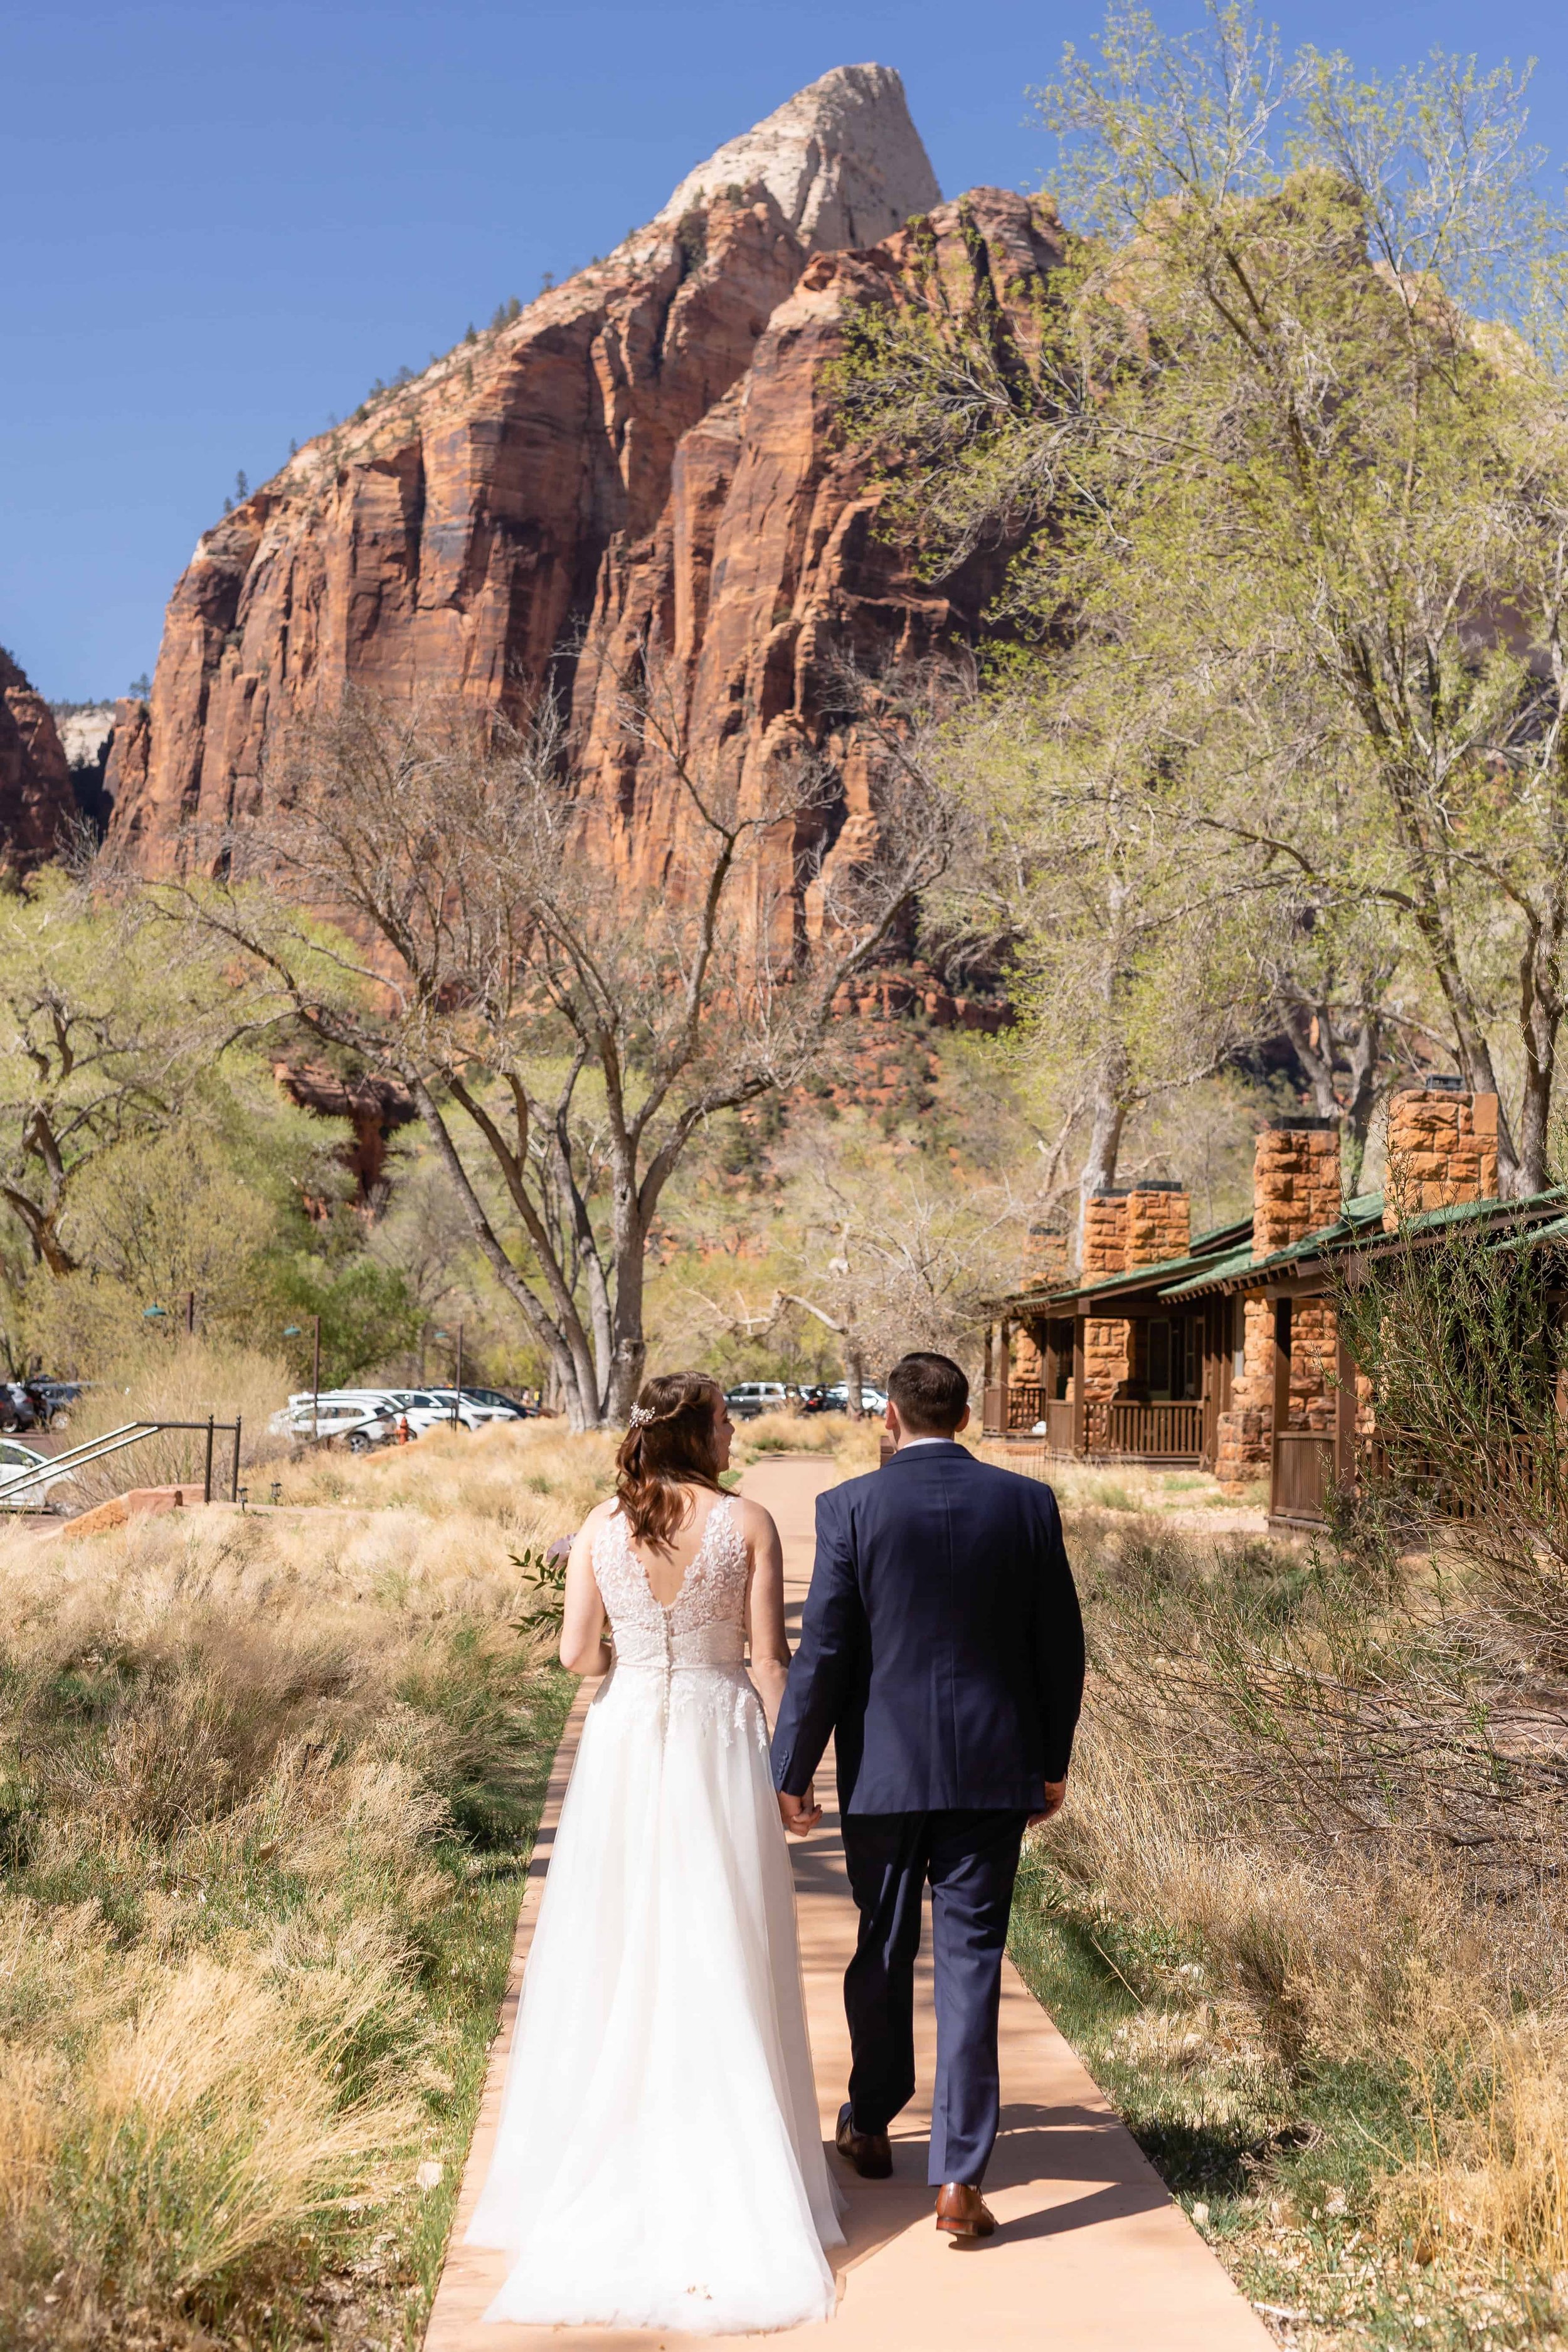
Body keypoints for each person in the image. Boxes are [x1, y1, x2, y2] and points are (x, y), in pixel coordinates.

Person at [464, 1371, 842, 2331]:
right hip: (718, 1734)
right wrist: (793, 1771)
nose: (733, 1430)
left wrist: (637, 1651)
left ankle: (609, 2140)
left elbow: (576, 1657)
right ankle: (732, 2155)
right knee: (721, 1932)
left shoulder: (600, 1524)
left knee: (619, 1933)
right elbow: (769, 1660)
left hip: (629, 1737)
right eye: (722, 1418)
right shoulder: (748, 1521)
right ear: (693, 1431)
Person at [771, 1350, 1084, 2242]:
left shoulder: (851, 1507)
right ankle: (958, 2179)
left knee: (882, 1940)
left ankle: (870, 2121)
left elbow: (826, 1651)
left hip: (886, 1773)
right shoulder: (1026, 1503)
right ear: (967, 1416)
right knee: (973, 1959)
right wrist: (1049, 1760)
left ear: (891, 1418)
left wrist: (792, 1769)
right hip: (994, 1769)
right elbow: (1060, 1646)